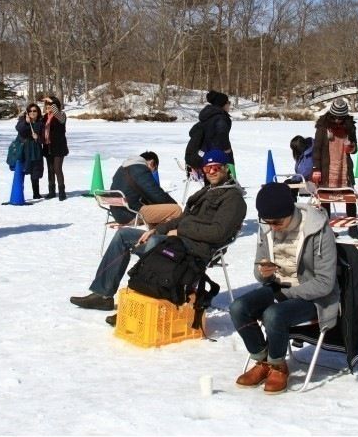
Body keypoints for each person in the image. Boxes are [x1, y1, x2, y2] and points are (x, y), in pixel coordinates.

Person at [70, 149, 247, 314]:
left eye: (216, 167)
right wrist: (157, 230)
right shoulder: (208, 191)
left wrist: (180, 231)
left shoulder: (233, 199)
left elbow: (218, 233)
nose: (211, 172)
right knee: (124, 236)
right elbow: (182, 219)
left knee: (155, 247)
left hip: (199, 248)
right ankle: (102, 294)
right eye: (207, 168)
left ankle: (143, 305)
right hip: (181, 241)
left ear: (226, 169)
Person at [230, 182, 339, 395]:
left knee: (273, 315)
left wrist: (285, 294)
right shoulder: (267, 230)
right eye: (267, 221)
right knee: (238, 308)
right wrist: (263, 273)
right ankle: (263, 361)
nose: (273, 226)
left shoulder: (317, 229)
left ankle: (278, 365)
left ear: (291, 212)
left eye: (277, 222)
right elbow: (258, 270)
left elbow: (325, 282)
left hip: (314, 296)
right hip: (278, 288)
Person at [311, 97, 358, 239]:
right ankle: (327, 228)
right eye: (335, 117)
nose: (338, 120)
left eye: (341, 118)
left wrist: (352, 147)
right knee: (326, 198)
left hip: (344, 167)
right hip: (327, 167)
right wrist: (316, 168)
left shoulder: (350, 127)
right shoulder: (323, 127)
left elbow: (355, 147)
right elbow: (317, 149)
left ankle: (353, 227)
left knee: (349, 197)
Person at [108, 151, 181, 227]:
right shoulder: (140, 169)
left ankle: (154, 235)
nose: (153, 172)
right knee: (176, 210)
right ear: (152, 163)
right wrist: (173, 204)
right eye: (155, 169)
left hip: (118, 212)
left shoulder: (123, 168)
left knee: (158, 210)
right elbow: (155, 193)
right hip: (130, 214)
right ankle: (158, 237)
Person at [41, 95, 68, 200]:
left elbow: (58, 115)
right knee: (50, 169)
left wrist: (52, 102)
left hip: (59, 147)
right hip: (48, 147)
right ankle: (51, 191)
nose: (48, 107)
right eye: (47, 105)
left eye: (50, 105)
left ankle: (62, 192)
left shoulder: (61, 115)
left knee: (57, 168)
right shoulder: (44, 117)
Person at [15, 103, 44, 199]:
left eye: (34, 111)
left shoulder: (41, 122)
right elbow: (19, 129)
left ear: (38, 112)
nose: (32, 112)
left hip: (35, 149)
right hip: (24, 149)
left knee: (35, 171)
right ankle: (18, 194)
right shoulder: (23, 120)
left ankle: (36, 193)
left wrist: (38, 138)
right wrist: (26, 122)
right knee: (21, 170)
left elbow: (44, 139)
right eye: (30, 111)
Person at [198, 90, 234, 165]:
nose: (229, 105)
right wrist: (226, 148)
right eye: (228, 103)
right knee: (225, 174)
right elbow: (222, 133)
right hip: (219, 153)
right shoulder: (221, 117)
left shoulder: (208, 115)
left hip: (205, 152)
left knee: (210, 173)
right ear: (223, 104)